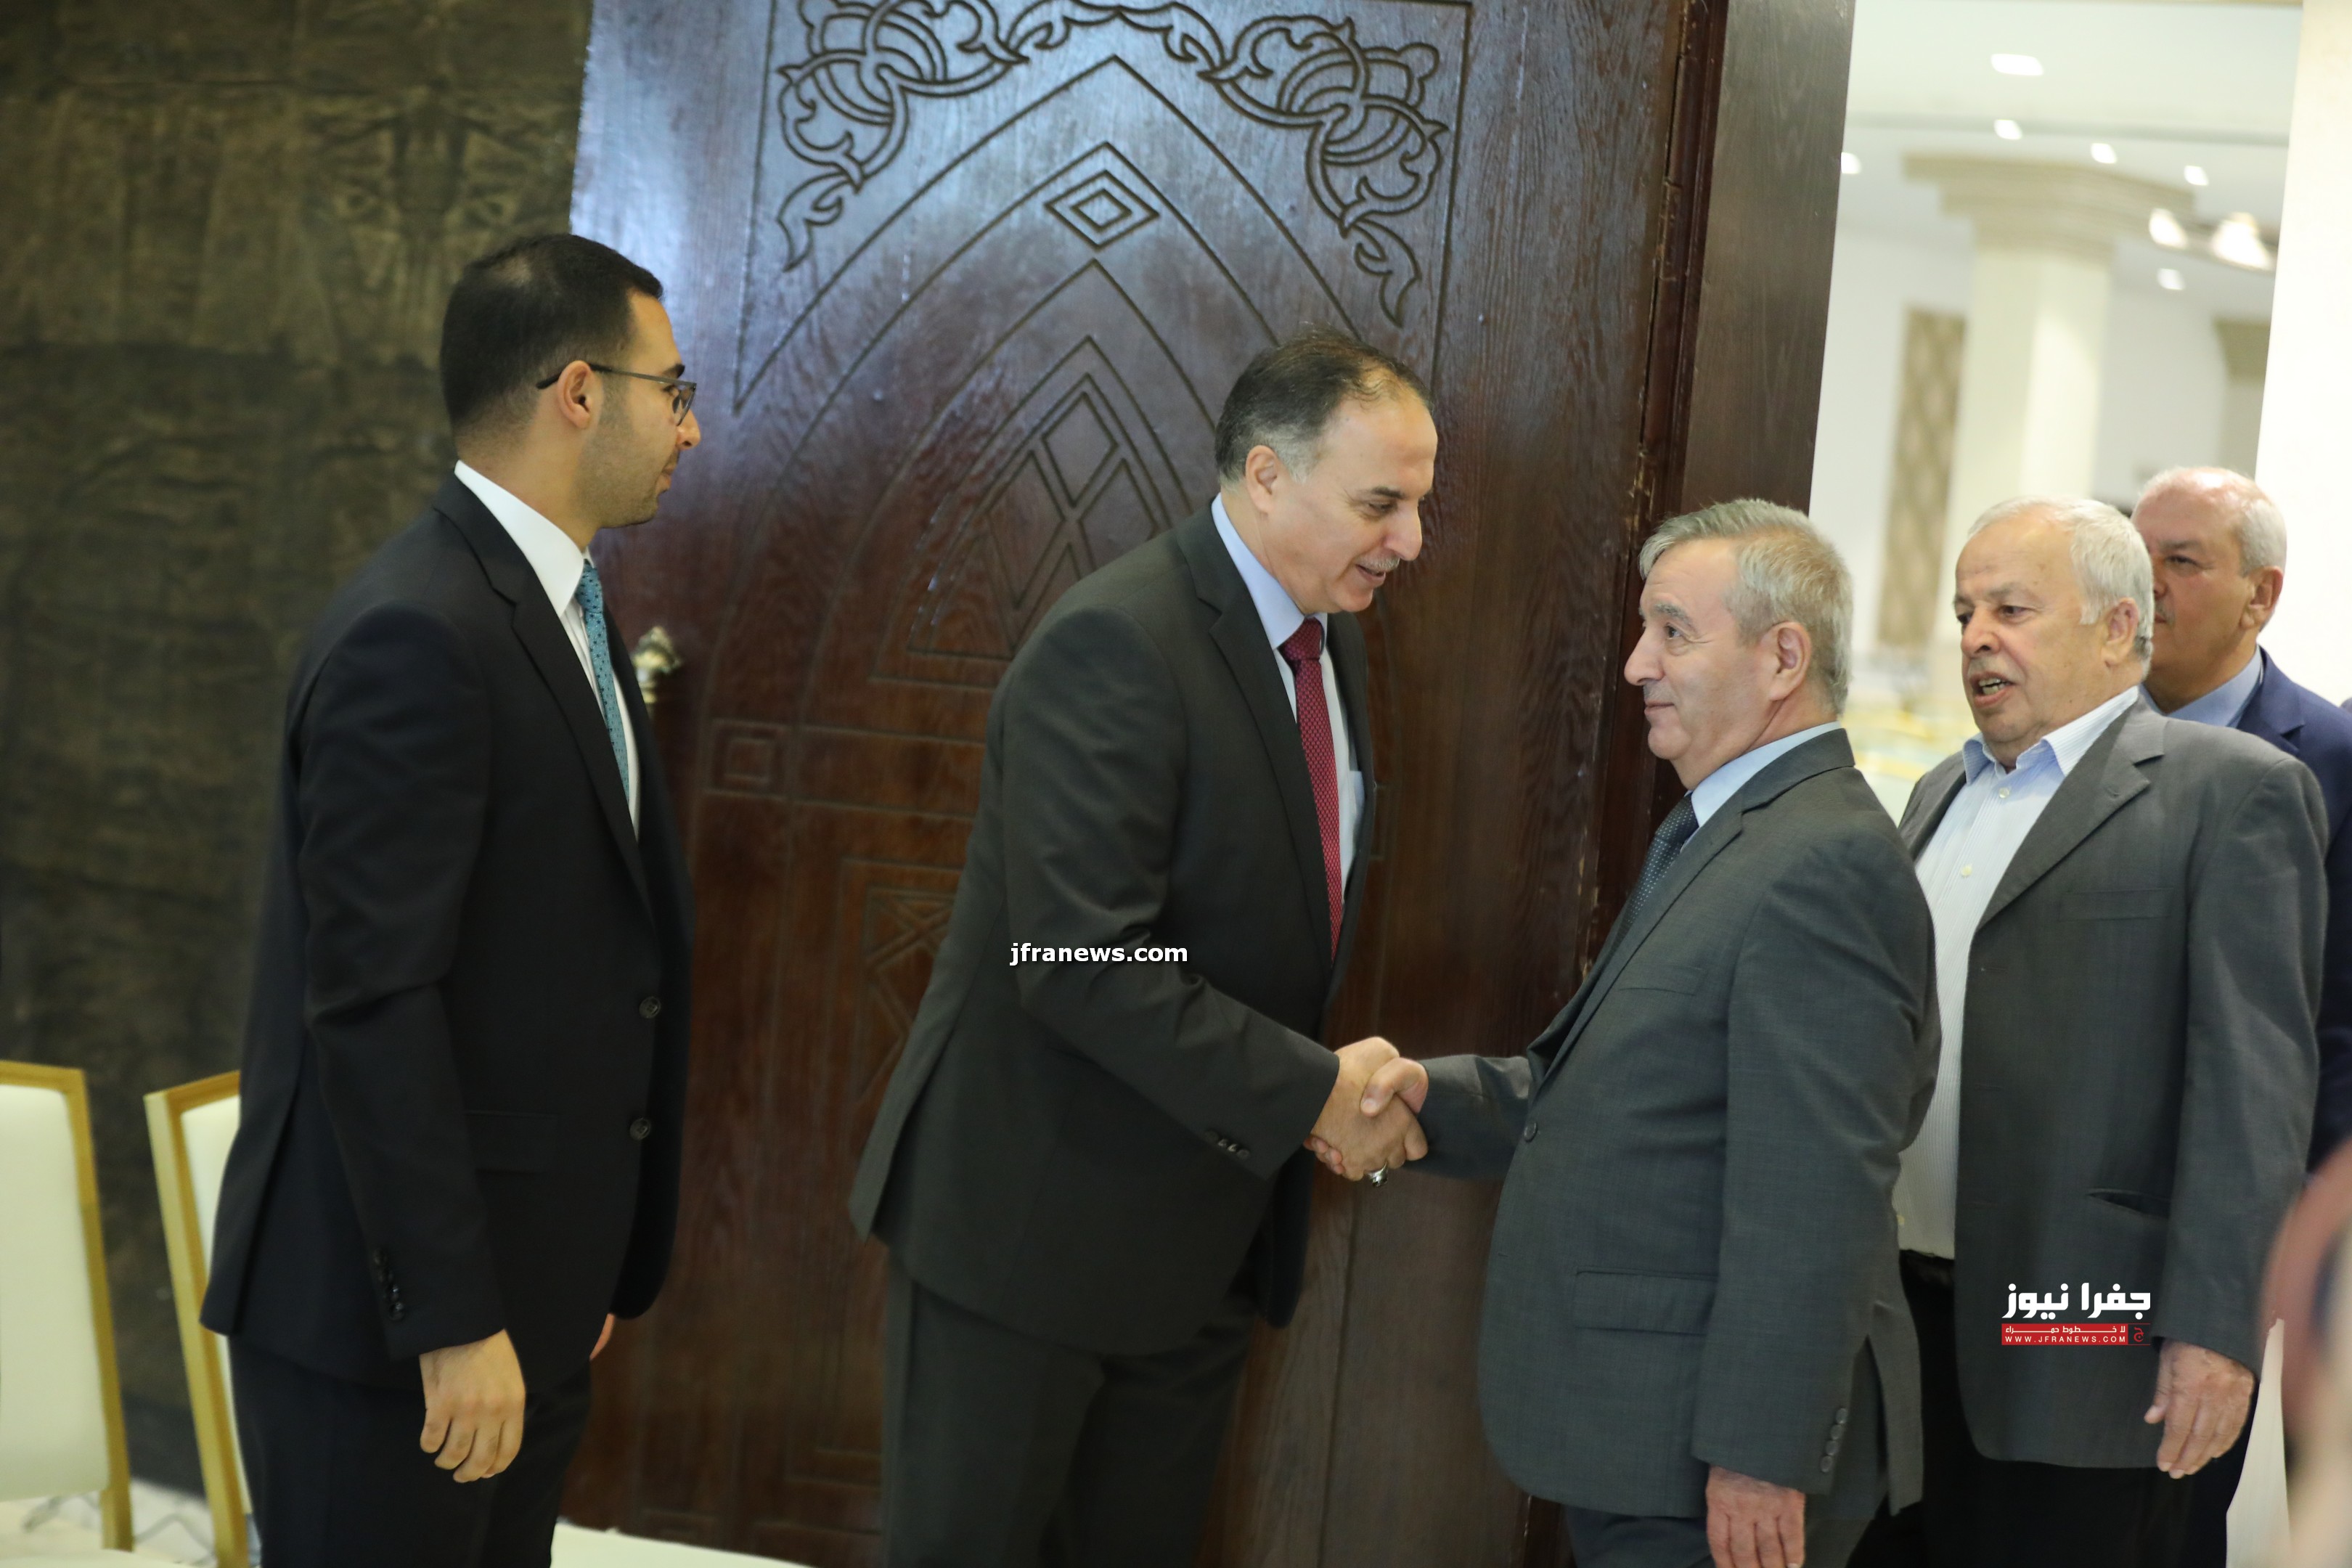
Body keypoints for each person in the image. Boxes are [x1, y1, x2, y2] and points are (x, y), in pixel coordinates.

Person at [847, 326, 1436, 1566]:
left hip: (1201, 1247)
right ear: (1267, 476)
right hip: (1032, 1237)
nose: (1411, 541)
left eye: (1418, 505)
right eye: (1381, 504)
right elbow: (1079, 959)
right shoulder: (1117, 641)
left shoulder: (1330, 638)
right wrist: (1311, 1091)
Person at [201, 234, 701, 1567]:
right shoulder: (417, 632)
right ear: (580, 392)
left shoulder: (562, 605)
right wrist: (455, 1317)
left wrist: (571, 1271)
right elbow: (373, 1002)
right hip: (398, 1333)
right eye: (674, 390)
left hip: (528, 1295)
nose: (691, 428)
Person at [1348, 502, 1938, 1568]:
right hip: (1648, 1444)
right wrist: (1429, 1097)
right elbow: (1626, 1095)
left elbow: (1817, 1191)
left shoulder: (1824, 861)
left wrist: (1760, 1455)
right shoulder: (1732, 831)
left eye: (1673, 632)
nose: (1636, 666)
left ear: (1783, 658)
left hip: (1717, 1468)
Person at [1850, 497, 2323, 1568]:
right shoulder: (1940, 790)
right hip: (1900, 1317)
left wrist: (2216, 1333)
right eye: (1965, 612)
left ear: (2118, 627)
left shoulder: (2230, 792)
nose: (1977, 637)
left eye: (2011, 609)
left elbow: (2253, 1095)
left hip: (2077, 1317)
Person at [2132, 465, 2352, 1564]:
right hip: (2081, 1228)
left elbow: (2334, 1017)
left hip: (2244, 1228)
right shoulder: (2074, 743)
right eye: (2137, 559)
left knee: (2179, 1506)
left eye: (2181, 562)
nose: (2149, 587)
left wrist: (2285, 1231)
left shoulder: (2332, 758)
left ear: (2260, 595)